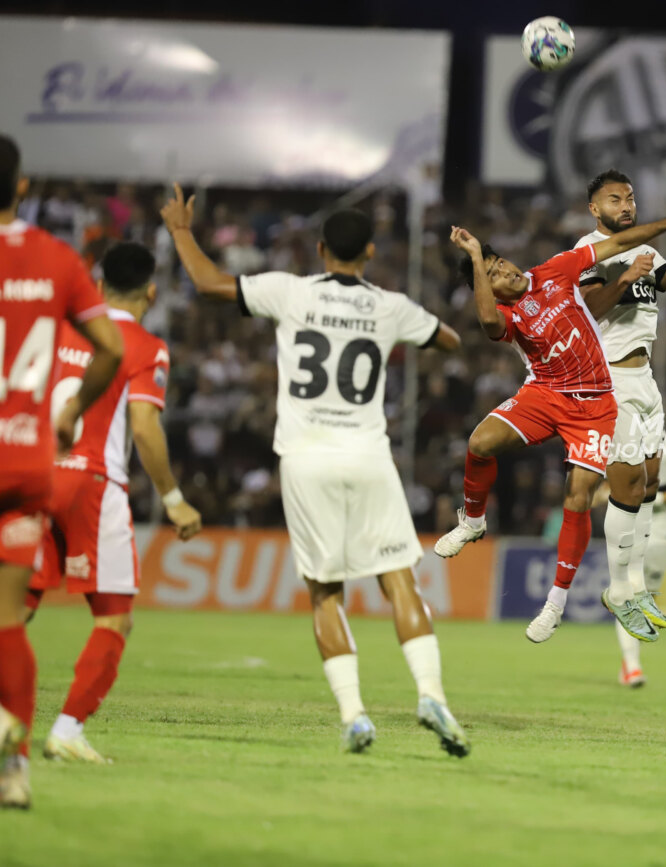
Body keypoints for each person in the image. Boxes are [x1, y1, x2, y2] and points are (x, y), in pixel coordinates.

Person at [160, 185, 469, 757]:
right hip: (368, 455)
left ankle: (354, 715)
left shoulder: (289, 292)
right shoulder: (388, 305)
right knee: (399, 578)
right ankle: (431, 696)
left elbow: (206, 282)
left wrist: (181, 229)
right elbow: (448, 339)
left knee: (325, 591)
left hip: (305, 459)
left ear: (320, 249)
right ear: (370, 253)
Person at [435, 203, 666, 645]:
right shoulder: (509, 315)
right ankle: (474, 521)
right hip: (544, 394)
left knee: (578, 497)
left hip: (596, 402)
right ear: (491, 288)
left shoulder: (555, 271)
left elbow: (616, 243)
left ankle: (554, 606)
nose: (508, 272)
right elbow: (486, 322)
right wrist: (477, 261)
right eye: (496, 274)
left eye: (504, 264)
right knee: (480, 441)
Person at [25, 242, 202, 764]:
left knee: (18, 605)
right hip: (93, 486)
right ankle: (66, 730)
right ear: (151, 292)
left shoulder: (60, 329)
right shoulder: (145, 346)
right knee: (114, 618)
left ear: (98, 287)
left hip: (37, 478)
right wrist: (173, 498)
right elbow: (144, 428)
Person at [0, 133, 124, 808]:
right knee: (6, 623)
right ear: (22, 188)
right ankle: (13, 770)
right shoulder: (54, 257)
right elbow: (107, 345)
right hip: (23, 458)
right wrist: (72, 407)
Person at [574, 169, 666, 654]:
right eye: (615, 199)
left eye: (630, 198)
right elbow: (590, 307)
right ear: (596, 209)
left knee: (651, 482)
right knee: (627, 483)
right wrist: (626, 279)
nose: (626, 205)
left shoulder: (647, 252)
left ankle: (637, 589)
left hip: (645, 380)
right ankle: (619, 591)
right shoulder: (588, 251)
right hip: (609, 380)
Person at [593, 431, 666, 687]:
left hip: (660, 523)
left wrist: (658, 499)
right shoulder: (617, 439)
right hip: (628, 520)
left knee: (644, 597)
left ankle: (631, 661)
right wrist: (601, 493)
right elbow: (610, 483)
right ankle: (632, 666)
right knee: (628, 592)